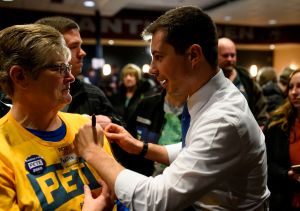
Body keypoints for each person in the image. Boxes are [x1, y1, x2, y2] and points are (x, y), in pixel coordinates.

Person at [74, 6, 270, 210]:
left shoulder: (222, 118)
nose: (151, 69)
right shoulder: (214, 94)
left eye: (159, 56)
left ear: (193, 55)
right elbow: (194, 147)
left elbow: (155, 200)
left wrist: (93, 152)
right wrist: (141, 147)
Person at [0, 24, 114, 210]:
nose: (71, 77)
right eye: (59, 68)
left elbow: (119, 194)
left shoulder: (85, 127)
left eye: (68, 67)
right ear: (20, 76)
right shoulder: (3, 149)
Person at [35, 16, 126, 164]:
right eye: (73, 47)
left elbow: (123, 134)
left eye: (80, 45)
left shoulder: (92, 94)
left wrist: (110, 124)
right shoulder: (13, 99)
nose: (82, 52)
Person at [124, 90, 186, 176]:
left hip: (178, 179)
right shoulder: (146, 104)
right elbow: (126, 147)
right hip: (141, 178)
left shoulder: (199, 111)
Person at [264, 69, 300, 211]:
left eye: (299, 86)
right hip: (285, 199)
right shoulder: (277, 124)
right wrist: (287, 174)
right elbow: (266, 162)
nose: (294, 92)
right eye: (291, 87)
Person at [218, 37, 269, 127]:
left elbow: (261, 104)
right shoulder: (208, 79)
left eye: (233, 55)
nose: (230, 59)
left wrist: (262, 125)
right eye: (225, 55)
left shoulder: (245, 78)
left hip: (246, 133)